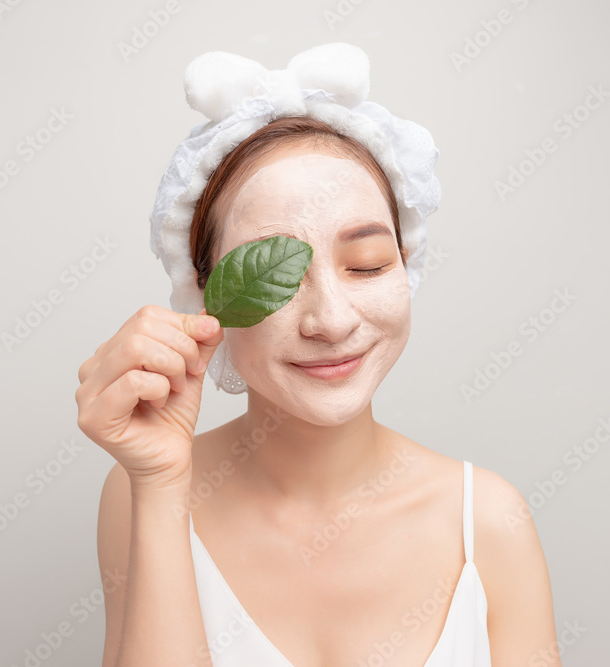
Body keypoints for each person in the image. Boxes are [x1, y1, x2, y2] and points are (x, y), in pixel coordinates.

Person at [76, 43, 561, 667]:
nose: (331, 321)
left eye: (367, 264)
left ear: (405, 264)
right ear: (206, 297)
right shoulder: (141, 492)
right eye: (277, 278)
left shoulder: (489, 521)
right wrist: (161, 484)